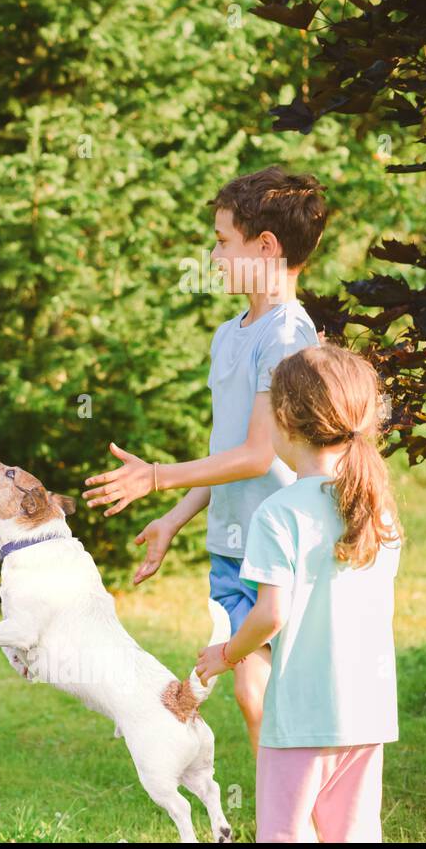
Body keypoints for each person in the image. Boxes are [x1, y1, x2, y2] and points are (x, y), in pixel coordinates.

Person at [83, 166, 324, 753]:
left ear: (264, 247)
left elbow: (259, 454)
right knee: (258, 696)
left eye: (222, 241)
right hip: (232, 549)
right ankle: (289, 822)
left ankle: (291, 825)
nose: (213, 255)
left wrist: (157, 478)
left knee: (258, 695)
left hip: (279, 546)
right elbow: (228, 457)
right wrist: (175, 518)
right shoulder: (230, 334)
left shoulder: (289, 334)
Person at [195, 344, 401, 842]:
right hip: (367, 715)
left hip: (302, 720)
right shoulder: (379, 508)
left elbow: (271, 615)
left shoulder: (279, 512)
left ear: (283, 418)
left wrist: (226, 653)